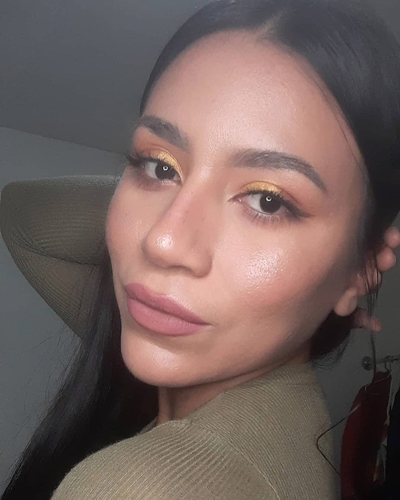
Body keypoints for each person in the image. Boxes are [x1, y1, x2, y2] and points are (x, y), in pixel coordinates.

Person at [1, 0, 400, 498]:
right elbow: (22, 216)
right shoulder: (211, 379)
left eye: (267, 200)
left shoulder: (143, 487)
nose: (163, 241)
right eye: (157, 165)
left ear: (365, 265)